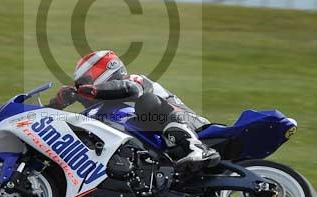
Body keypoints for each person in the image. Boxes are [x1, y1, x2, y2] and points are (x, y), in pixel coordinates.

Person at [48, 49, 220, 169]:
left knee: (148, 102)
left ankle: (196, 148)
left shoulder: (134, 81)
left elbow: (128, 88)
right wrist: (57, 104)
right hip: (161, 146)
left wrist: (91, 90)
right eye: (81, 83)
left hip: (194, 125)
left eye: (87, 79)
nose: (83, 85)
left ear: (106, 70)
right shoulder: (106, 109)